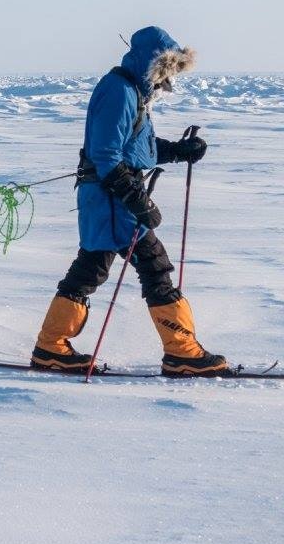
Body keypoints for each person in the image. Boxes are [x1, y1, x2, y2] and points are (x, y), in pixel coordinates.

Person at [29, 26, 229, 376]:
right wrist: (136, 198)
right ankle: (181, 352)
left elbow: (136, 149)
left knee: (91, 267)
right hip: (111, 196)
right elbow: (106, 154)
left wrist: (179, 152)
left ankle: (51, 347)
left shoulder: (133, 91)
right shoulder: (120, 91)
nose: (170, 79)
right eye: (168, 69)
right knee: (154, 265)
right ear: (152, 63)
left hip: (107, 195)